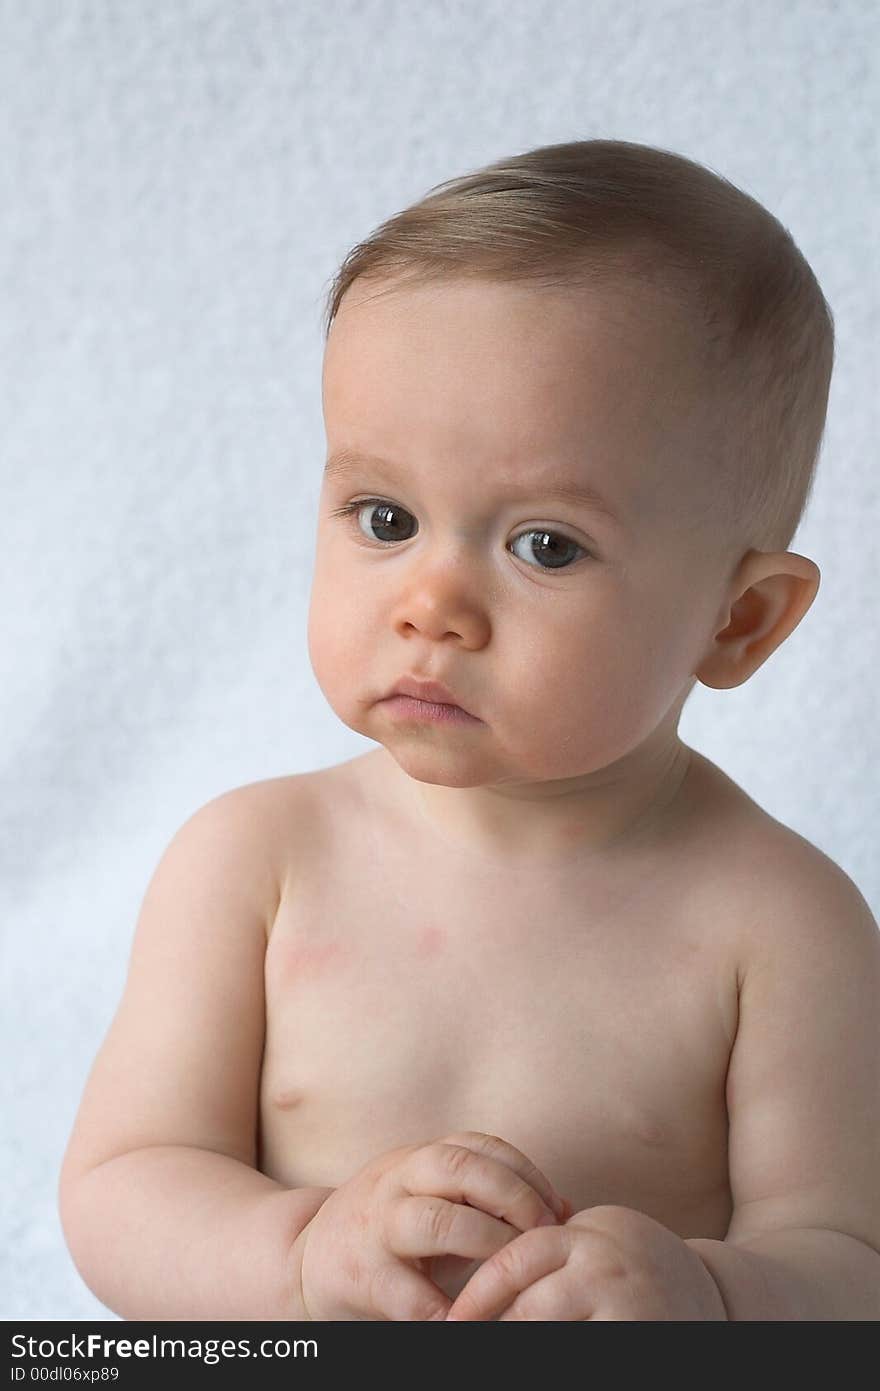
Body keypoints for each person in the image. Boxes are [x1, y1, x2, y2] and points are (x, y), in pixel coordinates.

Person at [58, 139, 879, 1320]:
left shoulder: (781, 925)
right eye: (383, 516)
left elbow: (847, 1263)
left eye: (544, 543)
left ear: (738, 620)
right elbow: (119, 1186)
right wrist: (293, 1256)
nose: (428, 604)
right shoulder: (254, 862)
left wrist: (708, 1294)